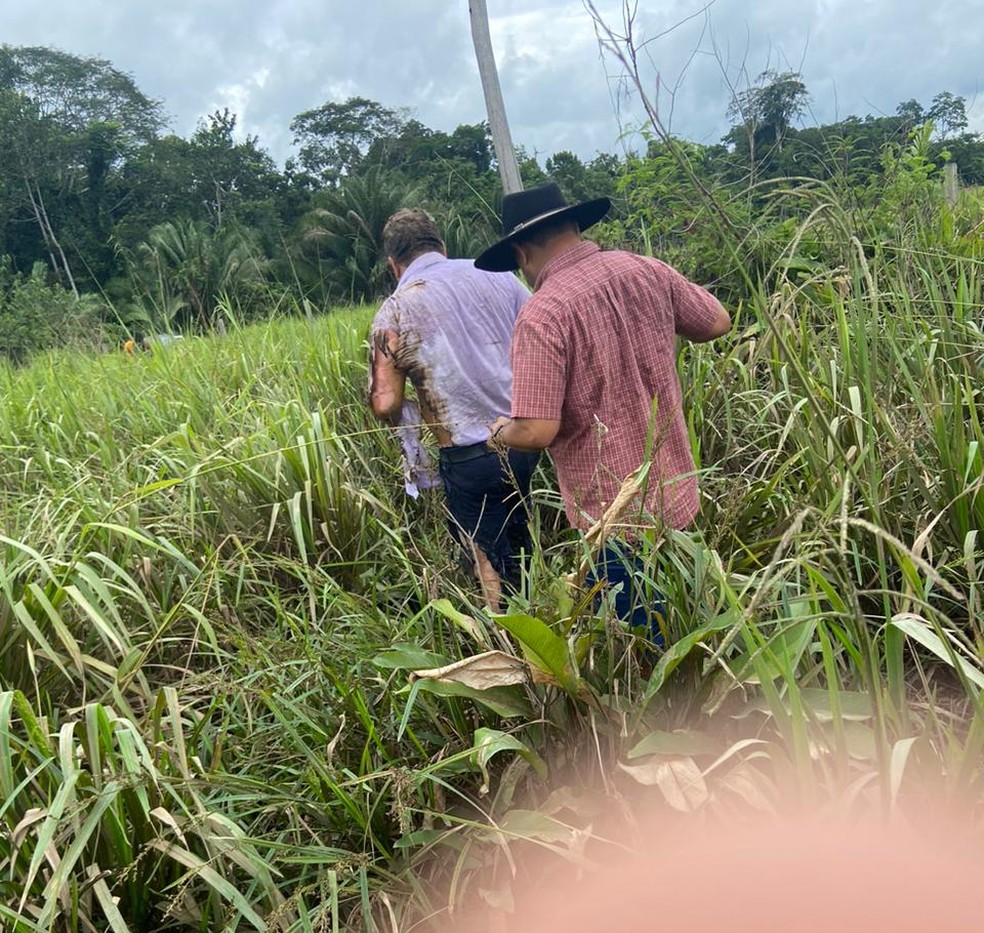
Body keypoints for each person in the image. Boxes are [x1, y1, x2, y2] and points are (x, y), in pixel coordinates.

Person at [479, 183, 731, 639]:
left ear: (519, 253)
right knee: (694, 626)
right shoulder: (645, 270)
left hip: (615, 522)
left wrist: (500, 432)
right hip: (678, 497)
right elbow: (717, 321)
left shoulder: (543, 315)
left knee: (644, 647)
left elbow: (535, 430)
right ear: (575, 225)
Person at [369, 208, 539, 610]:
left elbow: (386, 402)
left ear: (394, 265)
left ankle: (507, 644)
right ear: (442, 247)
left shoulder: (395, 310)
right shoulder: (501, 278)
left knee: (486, 556)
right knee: (520, 532)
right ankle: (536, 610)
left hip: (467, 454)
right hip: (526, 437)